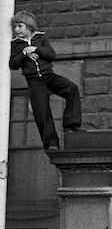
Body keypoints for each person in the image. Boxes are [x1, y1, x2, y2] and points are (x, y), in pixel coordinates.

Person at [8, 10, 82, 150]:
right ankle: (51, 143)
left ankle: (71, 125)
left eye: (20, 26)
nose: (17, 30)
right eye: (15, 27)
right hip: (34, 80)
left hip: (48, 75)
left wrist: (36, 49)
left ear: (29, 26)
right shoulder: (16, 44)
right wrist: (25, 53)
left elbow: (51, 54)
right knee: (42, 112)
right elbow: (13, 64)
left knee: (71, 88)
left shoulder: (41, 38)